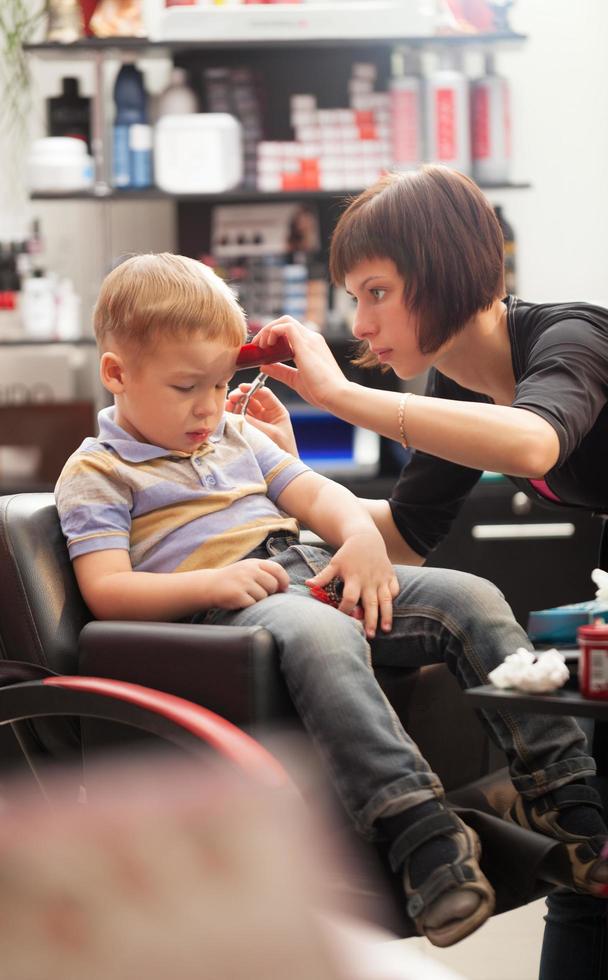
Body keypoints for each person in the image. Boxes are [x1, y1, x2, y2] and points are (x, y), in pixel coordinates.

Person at [55, 252, 607, 953]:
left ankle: (571, 805)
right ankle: (420, 837)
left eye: (221, 381)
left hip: (310, 570)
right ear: (116, 374)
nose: (208, 406)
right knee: (324, 634)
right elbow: (107, 591)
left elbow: (318, 497)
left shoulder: (236, 433)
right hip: (229, 610)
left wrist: (358, 537)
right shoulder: (97, 472)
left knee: (471, 596)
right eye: (187, 386)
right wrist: (210, 584)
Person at [227, 165, 608, 977]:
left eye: (376, 293)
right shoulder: (453, 382)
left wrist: (339, 396)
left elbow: (535, 443)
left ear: (439, 271)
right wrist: (290, 479)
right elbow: (403, 534)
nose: (360, 325)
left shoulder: (570, 338)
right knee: (588, 863)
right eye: (352, 299)